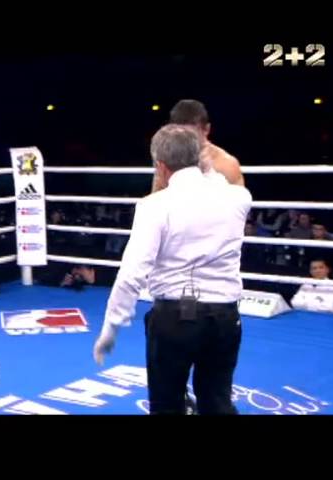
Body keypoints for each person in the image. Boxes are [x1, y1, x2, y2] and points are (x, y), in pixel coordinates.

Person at [93, 124, 252, 415]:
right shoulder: (238, 199)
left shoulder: (154, 206)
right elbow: (223, 179)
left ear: (161, 166)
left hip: (175, 318)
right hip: (226, 317)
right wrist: (205, 165)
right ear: (198, 158)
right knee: (218, 402)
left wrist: (111, 327)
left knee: (166, 406)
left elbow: (132, 273)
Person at [151, 99, 244, 192]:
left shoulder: (226, 164)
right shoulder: (167, 161)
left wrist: (208, 175)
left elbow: (239, 200)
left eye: (191, 135)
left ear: (206, 130)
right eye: (179, 137)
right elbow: (155, 198)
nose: (185, 141)